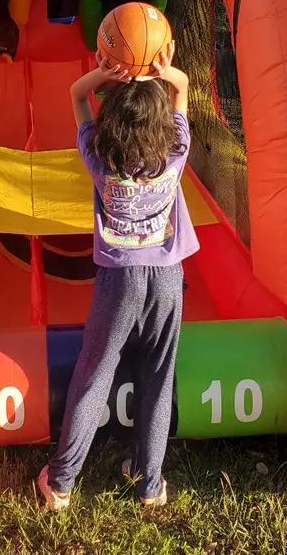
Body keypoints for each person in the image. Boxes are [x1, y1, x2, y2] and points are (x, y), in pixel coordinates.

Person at [38, 42, 198, 510]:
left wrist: (110, 72)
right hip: (168, 279)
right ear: (163, 124)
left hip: (120, 280)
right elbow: (183, 87)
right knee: (158, 375)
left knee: (94, 374)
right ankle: (149, 484)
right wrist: (156, 71)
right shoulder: (176, 152)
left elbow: (76, 96)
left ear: (109, 125)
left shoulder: (98, 158)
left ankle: (62, 484)